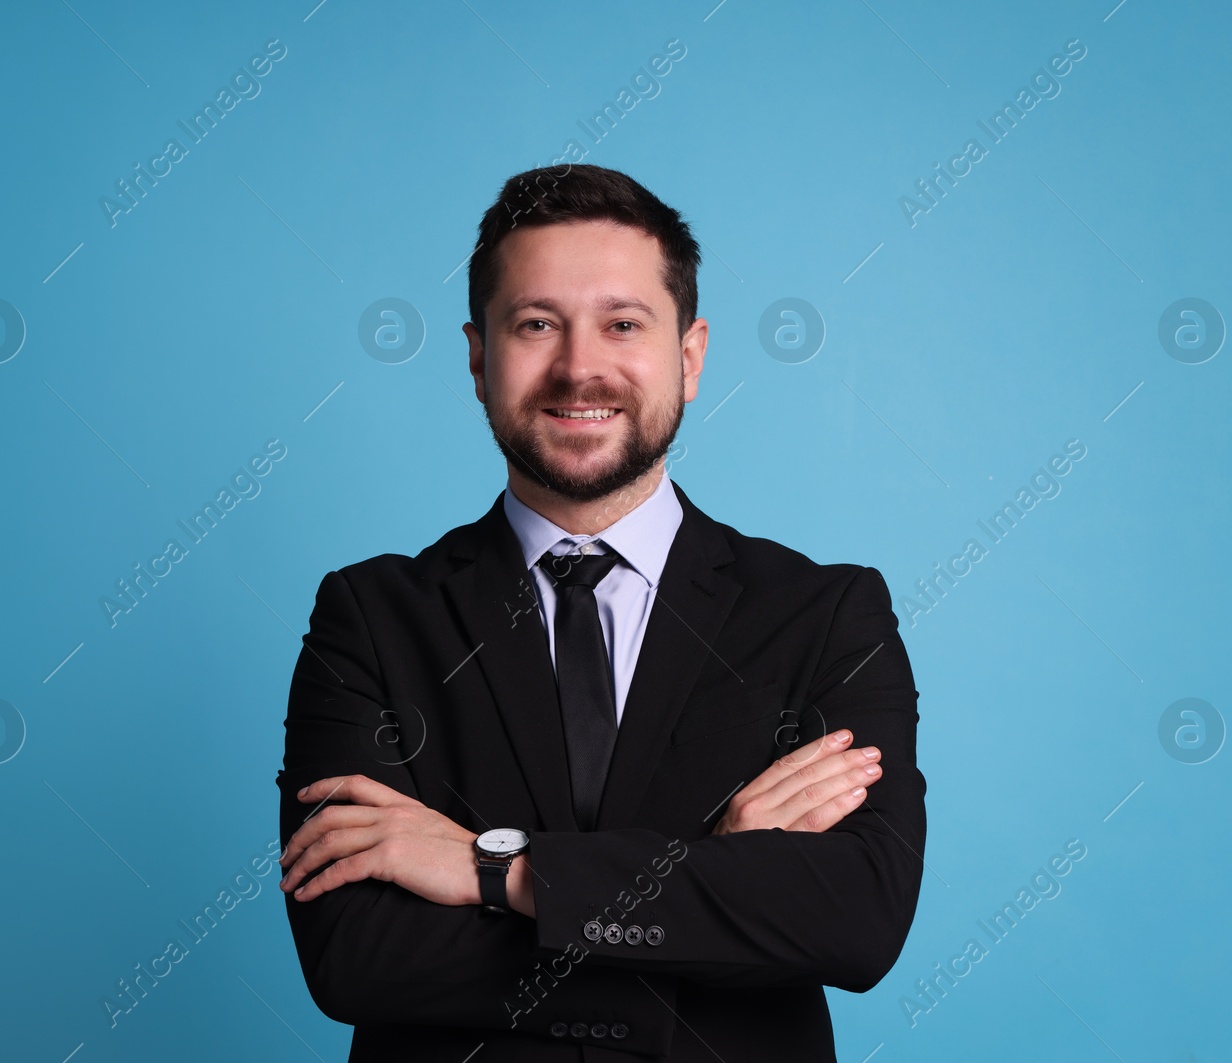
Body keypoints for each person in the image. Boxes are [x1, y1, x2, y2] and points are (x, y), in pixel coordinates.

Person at [275, 163, 926, 1061]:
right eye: (537, 324)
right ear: (477, 357)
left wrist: (494, 870)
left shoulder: (826, 616)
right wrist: (715, 875)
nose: (580, 367)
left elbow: (855, 919)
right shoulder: (370, 618)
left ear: (689, 356)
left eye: (623, 324)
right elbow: (355, 955)